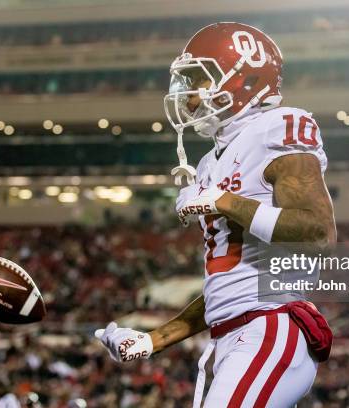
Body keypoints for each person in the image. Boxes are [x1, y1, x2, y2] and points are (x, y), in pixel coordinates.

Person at [96, 22, 336, 408]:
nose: (190, 97)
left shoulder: (277, 127)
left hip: (271, 326)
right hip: (232, 337)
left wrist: (223, 201)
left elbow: (318, 233)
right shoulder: (210, 162)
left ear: (244, 79)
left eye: (200, 80)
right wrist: (152, 340)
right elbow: (226, 292)